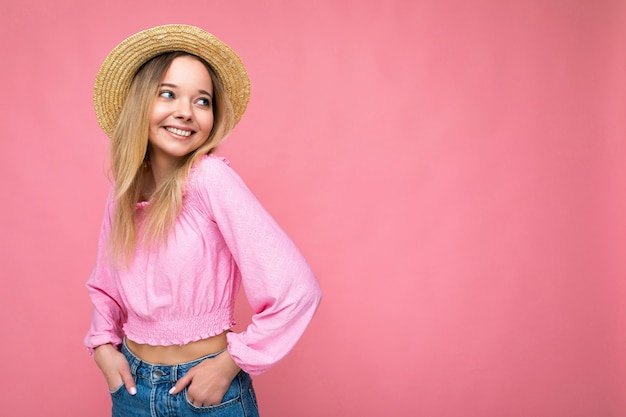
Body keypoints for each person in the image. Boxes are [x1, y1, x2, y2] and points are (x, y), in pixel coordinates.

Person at [84, 24, 322, 417]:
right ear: (139, 102)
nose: (185, 112)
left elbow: (297, 288)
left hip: (205, 394)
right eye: (168, 93)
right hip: (131, 392)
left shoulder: (209, 179)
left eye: (202, 101)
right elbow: (105, 286)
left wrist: (231, 364)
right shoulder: (125, 191)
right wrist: (102, 348)